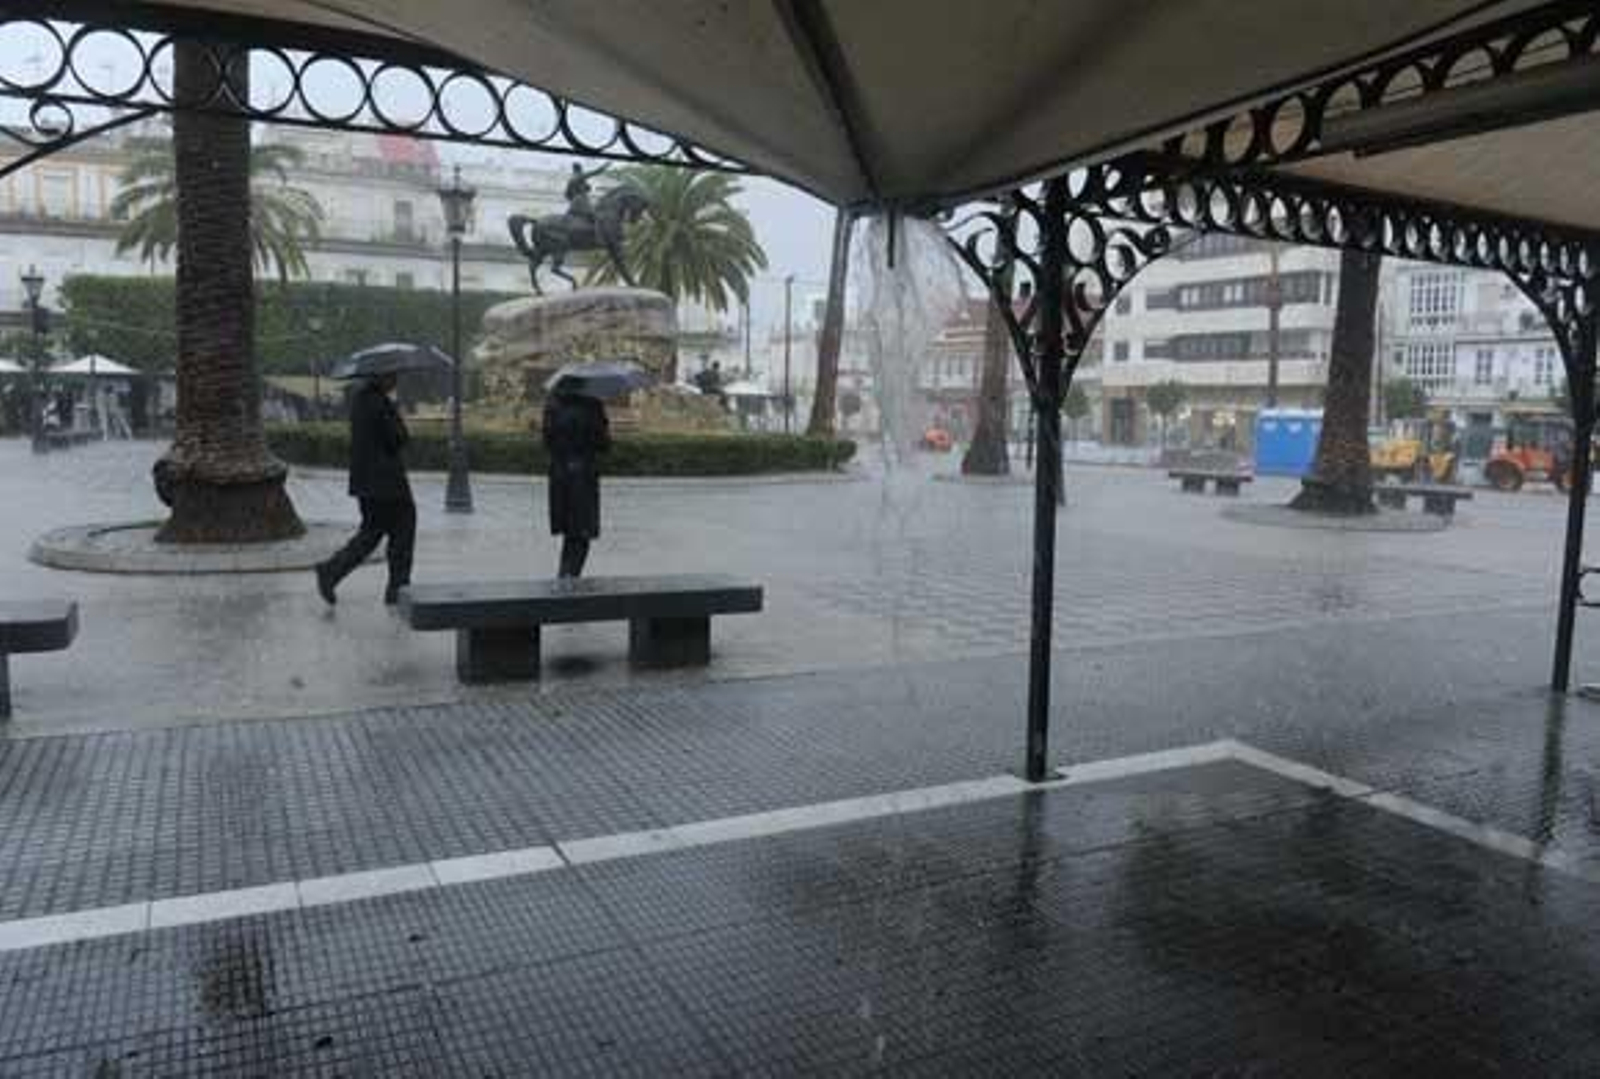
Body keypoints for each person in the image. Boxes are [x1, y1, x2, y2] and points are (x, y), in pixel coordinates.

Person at [316, 372, 415, 605]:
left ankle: (331, 571)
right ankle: (397, 591)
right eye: (392, 374)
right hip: (387, 484)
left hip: (368, 483)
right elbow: (398, 438)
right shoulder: (379, 403)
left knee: (372, 533)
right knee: (403, 531)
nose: (396, 378)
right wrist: (396, 414)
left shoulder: (361, 400)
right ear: (381, 376)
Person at [543, 388, 611, 578]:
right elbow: (603, 444)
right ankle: (570, 578)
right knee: (582, 532)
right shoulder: (592, 405)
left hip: (559, 474)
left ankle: (564, 575)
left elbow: (547, 441)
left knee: (569, 532)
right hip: (583, 474)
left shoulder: (553, 405)